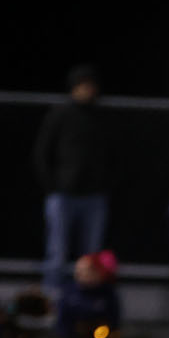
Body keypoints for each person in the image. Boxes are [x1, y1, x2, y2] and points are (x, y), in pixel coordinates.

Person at [34, 66, 110, 289]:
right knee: (57, 252)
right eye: (82, 85)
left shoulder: (101, 117)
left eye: (91, 85)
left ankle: (87, 301)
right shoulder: (59, 115)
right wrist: (52, 185)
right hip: (62, 194)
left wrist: (106, 182)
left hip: (94, 195)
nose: (87, 90)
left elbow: (114, 155)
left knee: (91, 255)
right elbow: (42, 153)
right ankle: (53, 301)